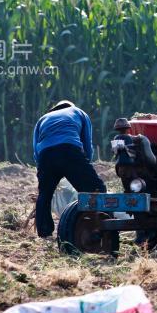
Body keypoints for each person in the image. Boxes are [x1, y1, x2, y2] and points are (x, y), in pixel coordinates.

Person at [33, 100, 107, 238]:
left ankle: (44, 233)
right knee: (96, 189)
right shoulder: (79, 112)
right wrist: (85, 166)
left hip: (46, 155)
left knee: (44, 194)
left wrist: (42, 171)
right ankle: (96, 227)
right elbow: (87, 144)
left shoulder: (42, 119)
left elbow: (36, 149)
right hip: (69, 151)